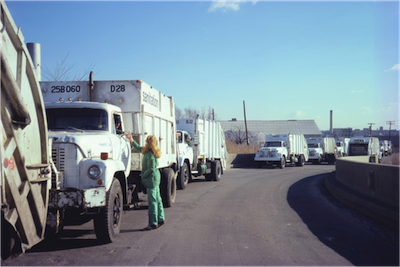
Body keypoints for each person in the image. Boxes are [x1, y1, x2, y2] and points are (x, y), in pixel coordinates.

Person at [127, 134, 165, 231]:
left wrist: (143, 175)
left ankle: (153, 223)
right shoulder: (152, 152)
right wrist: (132, 140)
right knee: (158, 199)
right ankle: (161, 219)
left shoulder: (149, 155)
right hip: (156, 179)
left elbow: (151, 169)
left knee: (152, 201)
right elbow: (140, 149)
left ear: (149, 143)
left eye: (147, 141)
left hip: (151, 180)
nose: (145, 142)